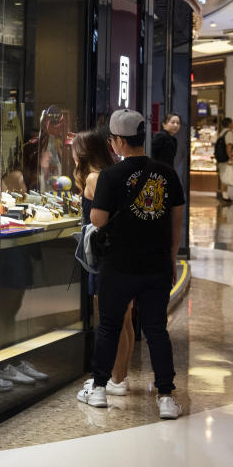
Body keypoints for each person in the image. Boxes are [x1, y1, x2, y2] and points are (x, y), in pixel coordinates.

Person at [77, 110, 184, 419]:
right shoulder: (166, 173)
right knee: (156, 331)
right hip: (156, 265)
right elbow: (176, 218)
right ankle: (165, 397)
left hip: (119, 265)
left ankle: (98, 390)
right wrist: (172, 256)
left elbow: (98, 220)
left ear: (120, 141)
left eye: (112, 141)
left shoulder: (111, 176)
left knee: (109, 326)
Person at [73, 129, 134, 396]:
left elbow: (103, 218)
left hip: (105, 256)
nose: (71, 154)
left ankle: (117, 379)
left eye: (74, 149)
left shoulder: (94, 178)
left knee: (112, 319)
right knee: (125, 319)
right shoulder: (110, 174)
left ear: (84, 152)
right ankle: (121, 376)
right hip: (122, 253)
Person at [217, 117, 233, 203]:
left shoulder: (221, 133)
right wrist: (230, 157)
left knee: (223, 177)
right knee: (225, 177)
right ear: (229, 124)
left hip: (221, 158)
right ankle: (224, 196)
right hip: (226, 159)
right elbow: (229, 146)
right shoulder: (229, 133)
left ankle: (224, 195)